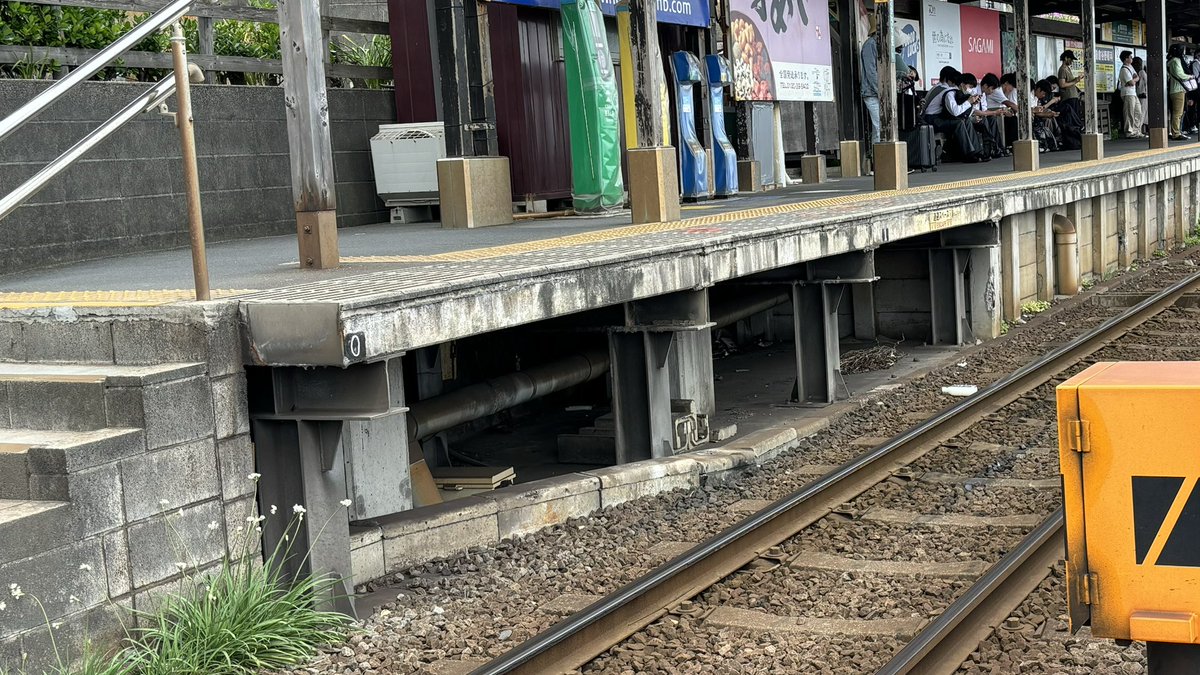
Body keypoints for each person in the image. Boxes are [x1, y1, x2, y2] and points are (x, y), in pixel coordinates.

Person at [921, 67, 988, 162]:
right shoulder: (947, 91)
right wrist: (969, 102)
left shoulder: (939, 88)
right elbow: (955, 112)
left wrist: (972, 104)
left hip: (937, 117)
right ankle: (968, 154)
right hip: (932, 118)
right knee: (959, 123)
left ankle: (977, 152)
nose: (970, 90)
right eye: (969, 86)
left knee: (966, 121)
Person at [1167, 43, 1195, 141]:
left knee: (1176, 112)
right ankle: (1176, 133)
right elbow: (1180, 75)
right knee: (1178, 113)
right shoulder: (1176, 61)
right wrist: (1190, 76)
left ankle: (1175, 131)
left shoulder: (1170, 61)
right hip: (1178, 90)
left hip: (1174, 90)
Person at [1118, 50, 1145, 139]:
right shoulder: (1124, 70)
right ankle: (1129, 131)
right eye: (1130, 57)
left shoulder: (1130, 67)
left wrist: (1133, 80)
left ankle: (1136, 130)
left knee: (1138, 112)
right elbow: (1132, 82)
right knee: (1129, 112)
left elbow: (1137, 77)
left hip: (1133, 93)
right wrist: (1133, 80)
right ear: (1126, 59)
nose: (1132, 58)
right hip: (1127, 93)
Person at [1133, 57, 1149, 134]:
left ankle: (1138, 130)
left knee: (1137, 113)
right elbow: (1147, 83)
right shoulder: (1142, 72)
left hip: (1137, 95)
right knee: (1141, 113)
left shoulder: (1134, 72)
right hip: (1143, 96)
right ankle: (1138, 130)